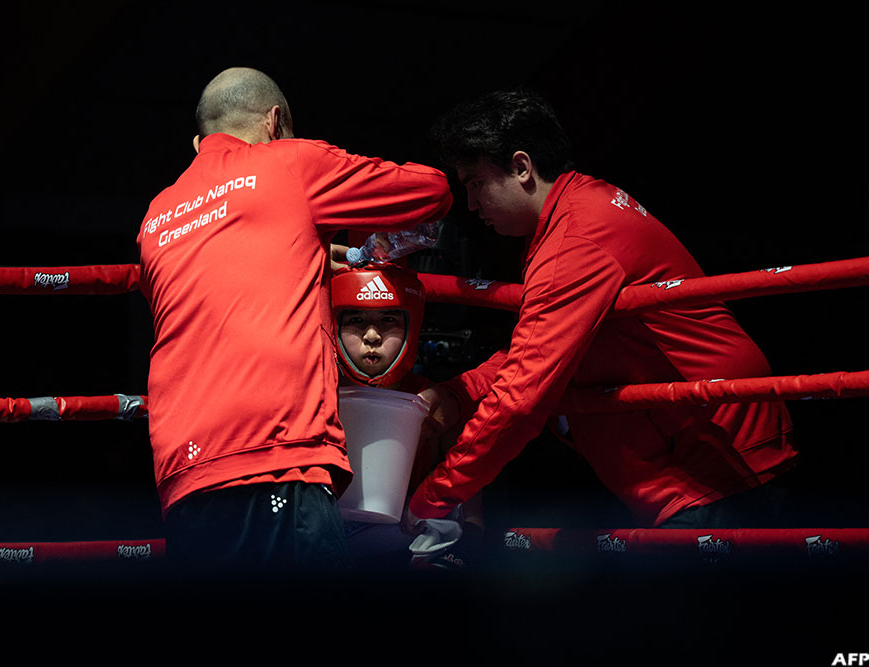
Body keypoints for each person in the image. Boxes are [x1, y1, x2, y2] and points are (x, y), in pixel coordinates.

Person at [404, 87, 798, 534]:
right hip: (709, 442)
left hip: (711, 458)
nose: (471, 205)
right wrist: (459, 394)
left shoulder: (575, 240)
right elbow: (540, 346)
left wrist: (434, 497)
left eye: (476, 183)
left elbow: (524, 391)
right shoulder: (579, 207)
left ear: (521, 167)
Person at [136, 67, 451, 574]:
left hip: (183, 471)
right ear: (275, 122)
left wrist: (318, 249)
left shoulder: (156, 216)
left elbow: (226, 280)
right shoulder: (289, 161)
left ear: (200, 143)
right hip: (274, 457)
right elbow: (432, 191)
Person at [332, 262, 483, 569]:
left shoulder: (437, 405)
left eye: (388, 319)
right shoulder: (312, 394)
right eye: (356, 319)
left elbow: (473, 518)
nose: (371, 335)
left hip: (406, 558)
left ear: (411, 325)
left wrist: (454, 557)